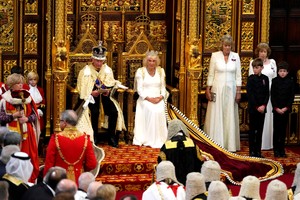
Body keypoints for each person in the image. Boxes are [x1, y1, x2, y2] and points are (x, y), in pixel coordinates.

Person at [75, 41, 126, 147]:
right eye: (97, 60)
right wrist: (91, 93)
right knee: (94, 112)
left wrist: (108, 91)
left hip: (105, 97)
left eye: (101, 61)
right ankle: (95, 137)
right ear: (92, 59)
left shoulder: (107, 70)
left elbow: (111, 83)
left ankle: (111, 137)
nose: (99, 63)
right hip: (91, 98)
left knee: (114, 112)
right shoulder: (85, 71)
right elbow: (82, 88)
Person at [204, 34, 242, 152]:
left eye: (229, 46)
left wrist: (238, 91)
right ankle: (216, 142)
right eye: (225, 45)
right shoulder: (215, 56)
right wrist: (208, 89)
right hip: (217, 88)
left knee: (229, 114)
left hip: (231, 90)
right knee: (217, 113)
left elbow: (238, 75)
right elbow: (211, 74)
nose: (227, 48)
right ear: (222, 46)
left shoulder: (236, 56)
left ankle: (229, 144)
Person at [0, 73, 40, 182]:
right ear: (11, 85)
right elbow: (1, 118)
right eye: (18, 83)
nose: (21, 85)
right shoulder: (5, 99)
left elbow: (34, 115)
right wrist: (13, 116)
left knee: (29, 155)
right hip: (12, 135)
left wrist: (27, 119)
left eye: (22, 83)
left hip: (27, 133)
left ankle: (29, 180)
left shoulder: (27, 97)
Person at [43, 110, 97, 185]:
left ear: (65, 122)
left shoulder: (56, 138)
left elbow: (49, 164)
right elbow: (92, 164)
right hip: (79, 182)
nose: (60, 123)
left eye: (60, 121)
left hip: (59, 182)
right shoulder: (85, 138)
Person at [133, 50, 168, 148]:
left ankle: (160, 138)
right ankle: (148, 138)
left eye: (153, 61)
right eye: (149, 61)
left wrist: (160, 97)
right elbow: (139, 90)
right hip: (145, 99)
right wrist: (150, 99)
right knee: (151, 109)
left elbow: (163, 88)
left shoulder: (161, 71)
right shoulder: (141, 71)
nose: (151, 63)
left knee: (159, 108)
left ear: (157, 62)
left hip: (158, 98)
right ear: (146, 61)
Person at [249, 42, 277, 150]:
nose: (262, 54)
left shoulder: (272, 62)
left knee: (269, 117)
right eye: (261, 51)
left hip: (270, 95)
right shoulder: (254, 62)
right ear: (258, 52)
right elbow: (251, 79)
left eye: (264, 51)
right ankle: (257, 145)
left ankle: (268, 143)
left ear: (267, 52)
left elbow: (275, 78)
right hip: (258, 97)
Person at [157, 119, 203, 184]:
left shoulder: (166, 146)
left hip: (173, 185)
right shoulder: (192, 143)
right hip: (190, 182)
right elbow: (199, 162)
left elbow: (162, 165)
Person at [271, 61, 294, 157]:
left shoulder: (290, 82)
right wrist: (276, 107)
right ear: (278, 72)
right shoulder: (275, 81)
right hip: (277, 110)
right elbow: (273, 96)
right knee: (276, 130)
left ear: (287, 72)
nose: (282, 73)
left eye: (284, 71)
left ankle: (282, 150)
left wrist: (286, 108)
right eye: (280, 71)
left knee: (283, 131)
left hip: (285, 110)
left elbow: (291, 97)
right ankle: (276, 150)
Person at [246, 58, 269, 157]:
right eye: (254, 68)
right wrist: (257, 106)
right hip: (253, 108)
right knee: (252, 130)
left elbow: (267, 93)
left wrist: (263, 105)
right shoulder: (250, 79)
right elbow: (250, 94)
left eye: (257, 68)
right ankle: (252, 151)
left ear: (262, 68)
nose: (255, 70)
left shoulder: (265, 78)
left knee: (259, 130)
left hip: (262, 109)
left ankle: (258, 151)